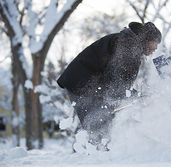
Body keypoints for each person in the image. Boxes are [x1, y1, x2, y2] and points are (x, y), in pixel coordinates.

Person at [57, 22, 161, 150]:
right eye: (155, 42)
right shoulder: (128, 45)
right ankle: (94, 158)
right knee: (98, 128)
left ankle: (98, 155)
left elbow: (118, 82)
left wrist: (134, 95)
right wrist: (136, 96)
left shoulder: (128, 43)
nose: (156, 48)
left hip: (89, 85)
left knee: (105, 126)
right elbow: (116, 82)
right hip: (82, 85)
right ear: (146, 39)